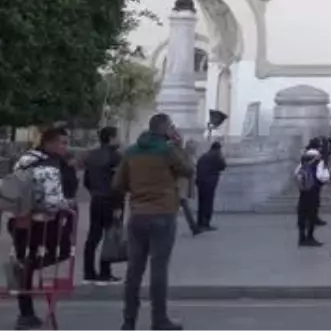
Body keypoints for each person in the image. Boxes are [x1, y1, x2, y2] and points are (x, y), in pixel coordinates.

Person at [114, 114, 194, 331]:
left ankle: (128, 322)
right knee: (158, 270)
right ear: (166, 129)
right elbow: (188, 169)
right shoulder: (168, 151)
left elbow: (118, 183)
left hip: (138, 215)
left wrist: (139, 190)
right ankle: (159, 320)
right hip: (163, 215)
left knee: (133, 272)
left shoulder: (131, 152)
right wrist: (179, 145)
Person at [6, 127, 72, 330]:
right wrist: (67, 205)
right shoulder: (49, 165)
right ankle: (25, 271)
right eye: (62, 142)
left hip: (20, 221)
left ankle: (25, 312)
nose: (65, 147)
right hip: (44, 223)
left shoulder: (24, 160)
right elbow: (53, 201)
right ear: (49, 143)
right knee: (61, 252)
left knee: (25, 259)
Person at [83, 125, 123, 283]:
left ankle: (89, 272)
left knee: (93, 236)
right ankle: (105, 271)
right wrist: (118, 205)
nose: (120, 140)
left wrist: (94, 191)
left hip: (96, 199)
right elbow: (118, 183)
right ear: (111, 138)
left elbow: (87, 180)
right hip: (111, 200)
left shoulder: (91, 156)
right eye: (117, 136)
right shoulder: (117, 157)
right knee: (110, 237)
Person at [295, 140, 329, 247]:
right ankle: (310, 237)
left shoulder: (304, 157)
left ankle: (301, 237)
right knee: (312, 213)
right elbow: (320, 176)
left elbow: (296, 172)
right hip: (314, 189)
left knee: (302, 212)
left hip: (304, 189)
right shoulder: (319, 159)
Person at [194, 141, 226, 232]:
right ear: (218, 149)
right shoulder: (216, 156)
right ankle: (206, 224)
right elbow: (223, 166)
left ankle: (200, 222)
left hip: (200, 182)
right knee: (208, 203)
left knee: (201, 203)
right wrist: (221, 156)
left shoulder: (203, 156)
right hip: (210, 183)